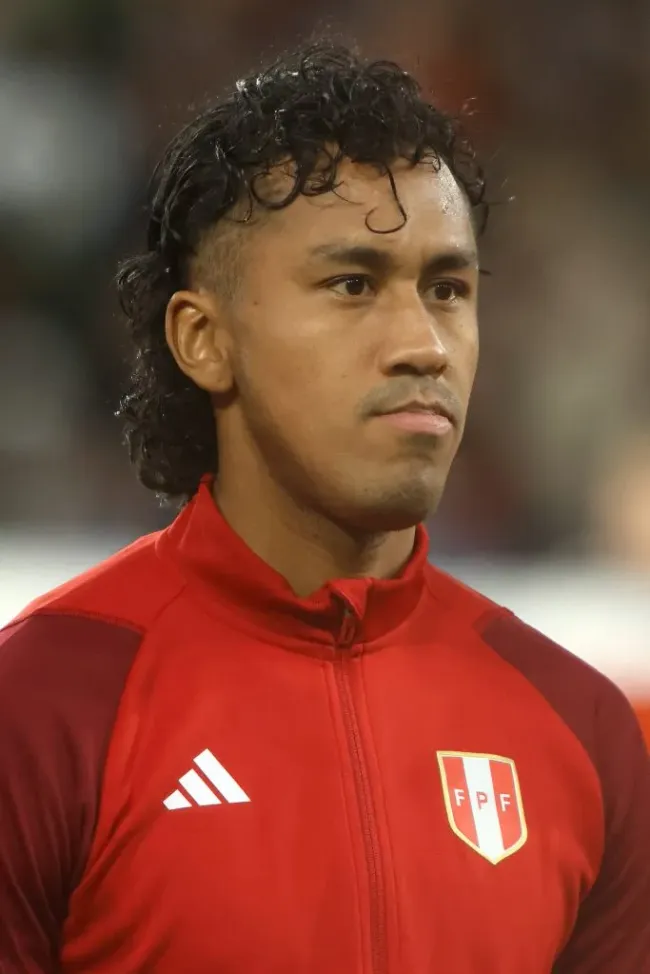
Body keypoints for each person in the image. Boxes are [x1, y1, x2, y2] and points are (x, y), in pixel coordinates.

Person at [0, 42, 648, 974]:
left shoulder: (577, 729)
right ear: (203, 340)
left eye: (447, 290)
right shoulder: (50, 706)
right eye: (352, 285)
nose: (423, 344)